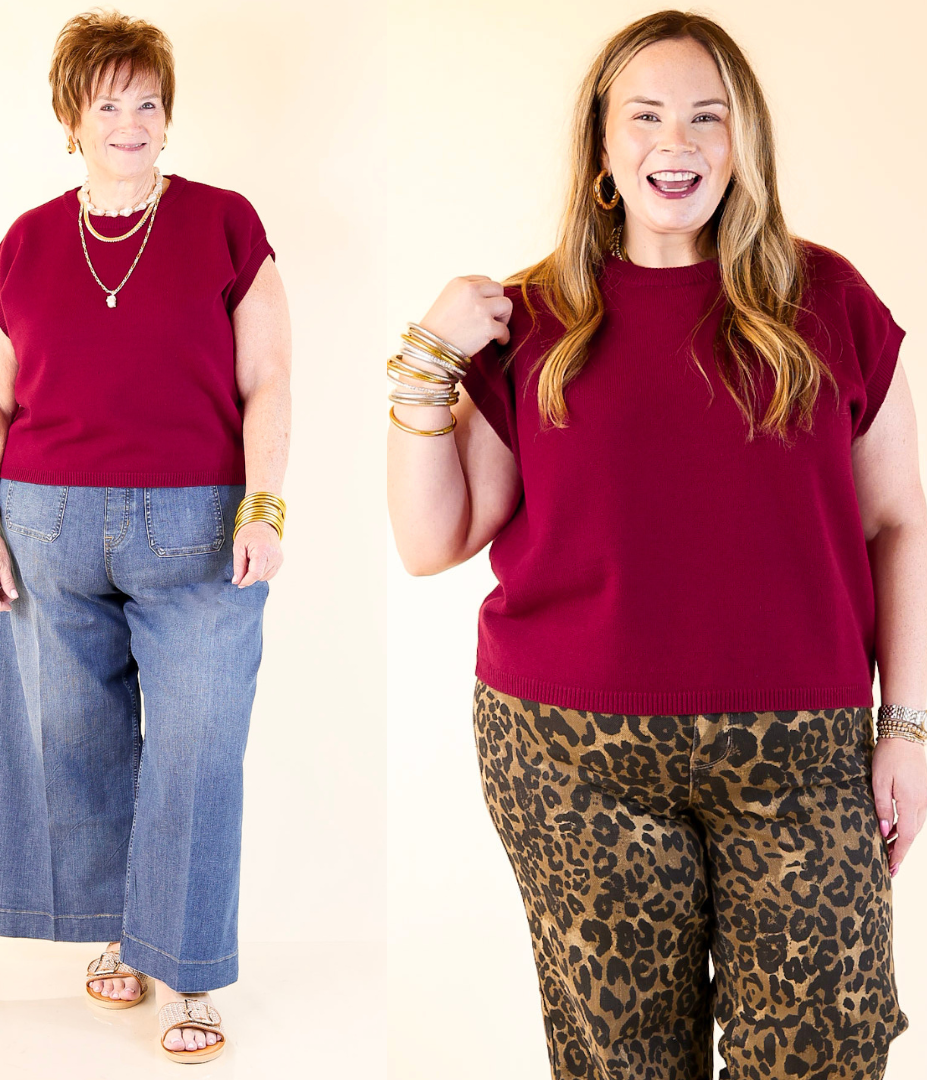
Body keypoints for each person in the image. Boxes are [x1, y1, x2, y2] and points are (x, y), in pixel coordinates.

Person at [386, 10, 924, 1079]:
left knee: (822, 1051)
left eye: (704, 118)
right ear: (601, 144)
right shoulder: (532, 319)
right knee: (623, 1064)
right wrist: (425, 360)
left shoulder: (830, 301)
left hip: (802, 751)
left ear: (743, 143)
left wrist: (905, 724)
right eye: (644, 116)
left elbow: (899, 522)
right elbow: (429, 538)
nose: (674, 143)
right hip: (571, 751)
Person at [0, 10, 290, 1063]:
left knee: (198, 745)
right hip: (45, 520)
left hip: (199, 526)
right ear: (73, 118)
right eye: (110, 103)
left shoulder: (227, 224)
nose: (133, 121)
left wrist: (266, 503)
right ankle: (124, 936)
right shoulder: (22, 244)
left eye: (148, 102)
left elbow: (270, 377)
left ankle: (187, 971)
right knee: (74, 738)